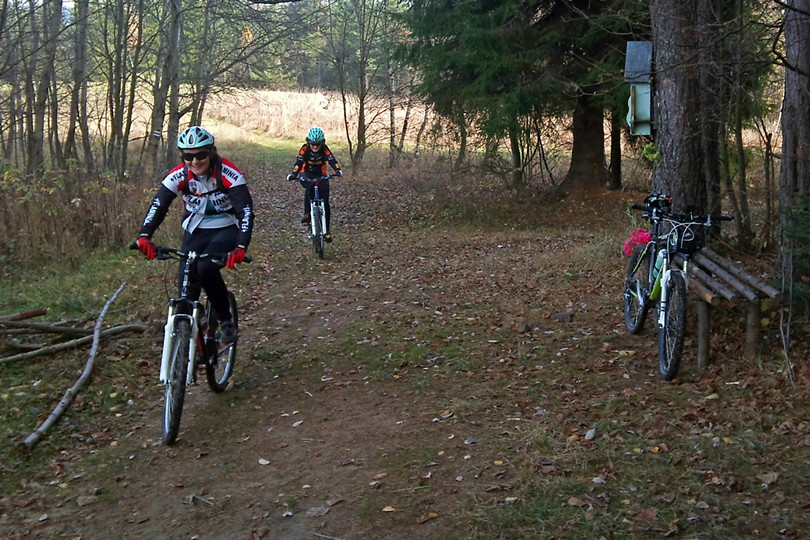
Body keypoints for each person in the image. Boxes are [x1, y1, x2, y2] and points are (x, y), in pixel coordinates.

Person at [135, 126, 254, 343]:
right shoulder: (180, 174)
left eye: (201, 154)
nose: (195, 161)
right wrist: (144, 235)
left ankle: (226, 321)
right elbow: (159, 204)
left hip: (225, 228)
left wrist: (241, 246)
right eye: (188, 156)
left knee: (206, 268)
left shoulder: (228, 172)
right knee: (185, 295)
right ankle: (185, 349)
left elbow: (245, 209)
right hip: (195, 231)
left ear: (211, 152)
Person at [286, 127, 343, 242]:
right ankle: (307, 214)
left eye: (317, 144)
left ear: (322, 143)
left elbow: (332, 160)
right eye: (312, 144)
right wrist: (293, 174)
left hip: (321, 175)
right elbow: (299, 162)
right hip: (307, 173)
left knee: (325, 202)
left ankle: (326, 231)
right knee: (310, 187)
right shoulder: (305, 149)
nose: (315, 147)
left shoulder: (325, 149)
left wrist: (338, 170)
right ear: (308, 142)